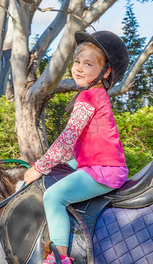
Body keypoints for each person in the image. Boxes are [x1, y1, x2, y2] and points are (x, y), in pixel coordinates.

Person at [24, 30, 130, 264]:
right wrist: (55, 165)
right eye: (77, 62)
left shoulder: (88, 98)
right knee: (60, 170)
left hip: (103, 170)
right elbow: (80, 145)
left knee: (53, 196)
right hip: (95, 162)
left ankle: (59, 257)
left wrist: (40, 167)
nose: (79, 68)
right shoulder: (96, 94)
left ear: (106, 71)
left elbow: (67, 138)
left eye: (88, 64)